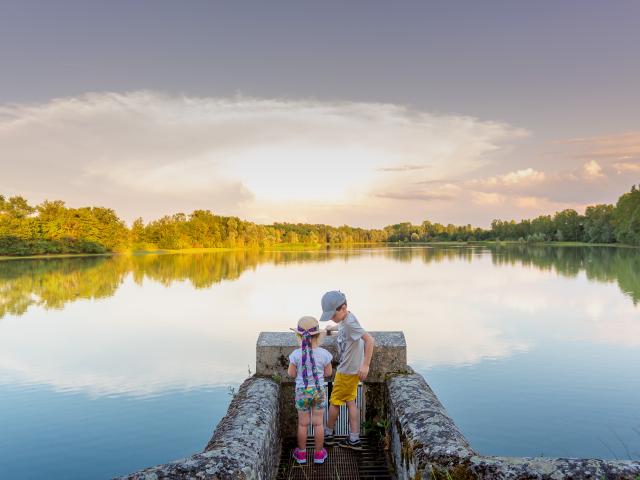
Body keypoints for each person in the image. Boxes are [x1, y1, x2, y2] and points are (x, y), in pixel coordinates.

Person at [319, 290, 375, 450]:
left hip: (346, 371)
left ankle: (328, 435)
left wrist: (366, 365)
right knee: (351, 402)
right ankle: (354, 438)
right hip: (350, 370)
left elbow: (369, 340)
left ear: (343, 308)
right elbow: (345, 327)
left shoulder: (350, 322)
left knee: (334, 403)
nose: (331, 317)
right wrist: (334, 327)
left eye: (332, 315)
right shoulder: (347, 319)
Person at [287, 316, 333, 464]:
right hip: (318, 391)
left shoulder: (295, 354)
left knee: (303, 424)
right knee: (318, 423)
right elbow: (328, 373)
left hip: (302, 392)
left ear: (299, 335)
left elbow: (291, 374)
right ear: (318, 335)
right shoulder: (324, 354)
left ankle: (301, 454)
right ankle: (319, 454)